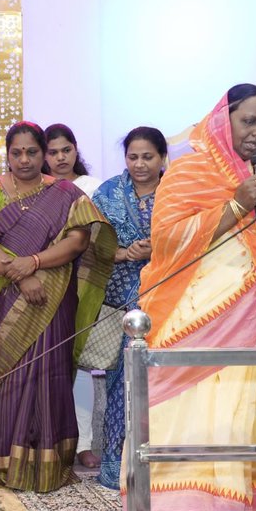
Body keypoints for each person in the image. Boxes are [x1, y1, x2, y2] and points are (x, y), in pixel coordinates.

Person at [129, 84, 256, 511]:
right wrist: (233, 205)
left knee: (240, 418)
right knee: (193, 416)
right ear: (225, 120)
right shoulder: (188, 172)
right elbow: (166, 240)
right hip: (196, 318)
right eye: (249, 121)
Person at [0, 122, 116, 493]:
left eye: (32, 152)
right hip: (6, 296)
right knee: (10, 379)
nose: (24, 159)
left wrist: (33, 263)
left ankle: (47, 468)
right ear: (7, 154)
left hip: (53, 297)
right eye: (16, 152)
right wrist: (20, 275)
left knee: (49, 376)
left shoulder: (66, 193)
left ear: (44, 153)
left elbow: (79, 241)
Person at [90, 126, 167, 490]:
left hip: (169, 300)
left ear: (163, 158)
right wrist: (124, 253)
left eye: (148, 157)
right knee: (122, 384)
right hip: (122, 303)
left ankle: (163, 471)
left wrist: (158, 250)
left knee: (163, 382)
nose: (139, 164)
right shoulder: (107, 194)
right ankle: (115, 468)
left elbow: (196, 239)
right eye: (133, 157)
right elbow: (89, 244)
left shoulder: (178, 193)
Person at [41, 123, 105, 466]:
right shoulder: (38, 190)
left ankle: (83, 441)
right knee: (49, 363)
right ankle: (49, 439)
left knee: (79, 363)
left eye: (66, 150)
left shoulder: (94, 188)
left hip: (86, 284)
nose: (60, 157)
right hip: (46, 284)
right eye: (52, 152)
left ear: (76, 151)